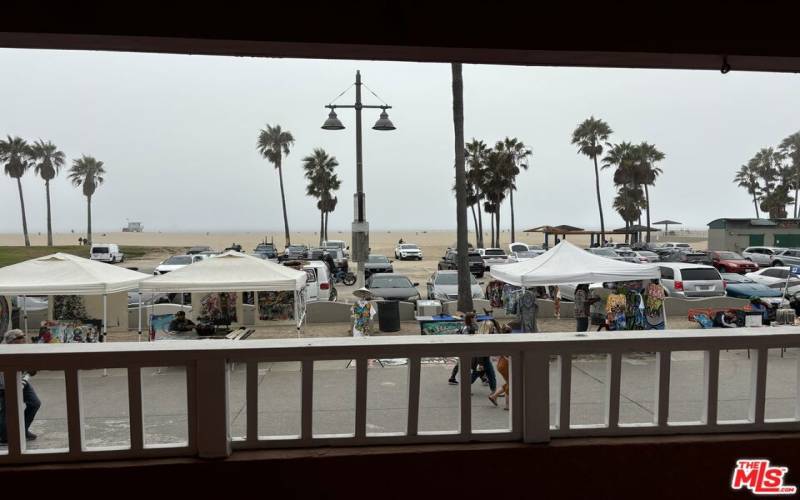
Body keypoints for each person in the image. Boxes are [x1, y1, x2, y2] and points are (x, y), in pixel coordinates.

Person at [0, 330, 41, 444]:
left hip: (21, 380)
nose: (24, 339)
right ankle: (4, 436)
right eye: (21, 337)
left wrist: (30, 370)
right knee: (7, 410)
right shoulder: (4, 352)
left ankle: (22, 430)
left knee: (34, 403)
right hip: (5, 385)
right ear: (12, 341)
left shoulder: (22, 348)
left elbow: (29, 366)